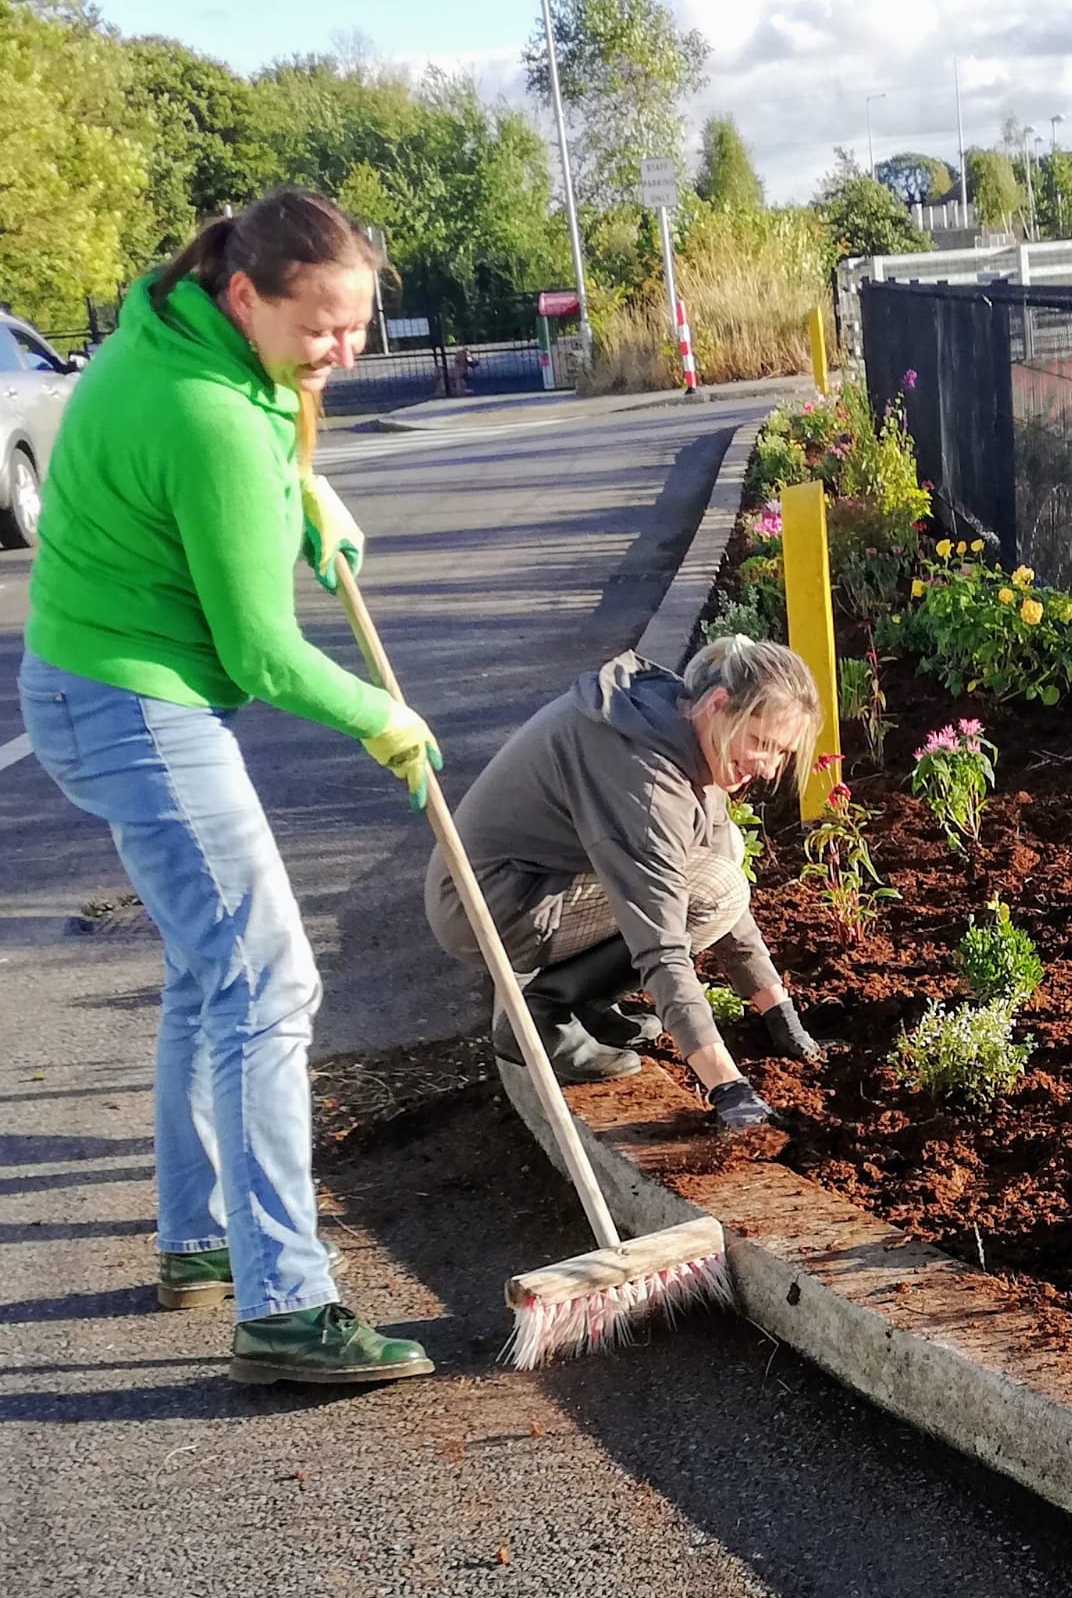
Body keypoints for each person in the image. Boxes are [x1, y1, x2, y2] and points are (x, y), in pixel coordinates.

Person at [17, 190, 440, 1389]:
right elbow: (262, 652)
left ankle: (200, 1239)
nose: (344, 354)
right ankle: (286, 1303)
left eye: (359, 326)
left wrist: (307, 489)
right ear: (249, 294)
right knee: (269, 976)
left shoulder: (172, 322)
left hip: (90, 682)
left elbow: (269, 412)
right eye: (323, 330)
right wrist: (384, 717)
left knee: (216, 971)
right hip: (135, 705)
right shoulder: (206, 412)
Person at [424, 636, 824, 1128]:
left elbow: (727, 896)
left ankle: (583, 1003)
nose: (767, 768)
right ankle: (543, 1014)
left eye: (781, 754)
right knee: (712, 887)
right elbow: (660, 942)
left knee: (724, 866)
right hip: (486, 909)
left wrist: (778, 1014)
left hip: (533, 887)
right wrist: (727, 1086)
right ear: (719, 705)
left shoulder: (681, 728)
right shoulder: (647, 777)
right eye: (761, 743)